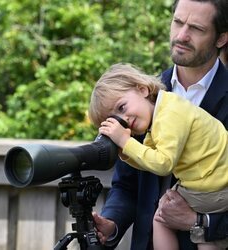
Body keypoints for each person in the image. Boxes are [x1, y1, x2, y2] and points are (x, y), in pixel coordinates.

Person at [91, 0, 228, 249]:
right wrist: (112, 222)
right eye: (177, 22)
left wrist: (202, 221)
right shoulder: (139, 98)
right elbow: (126, 184)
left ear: (221, 38)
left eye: (196, 28)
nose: (182, 35)